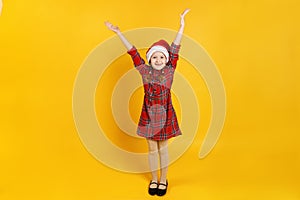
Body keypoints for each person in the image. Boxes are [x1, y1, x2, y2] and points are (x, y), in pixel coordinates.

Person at [104, 8, 190, 196]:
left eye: (162, 57)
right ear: (150, 59)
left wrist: (182, 26)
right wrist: (118, 33)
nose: (158, 59)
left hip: (165, 115)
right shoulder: (145, 71)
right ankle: (153, 179)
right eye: (154, 57)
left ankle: (163, 179)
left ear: (166, 60)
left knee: (163, 149)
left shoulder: (169, 71)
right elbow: (133, 53)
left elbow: (175, 48)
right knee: (152, 149)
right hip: (149, 115)